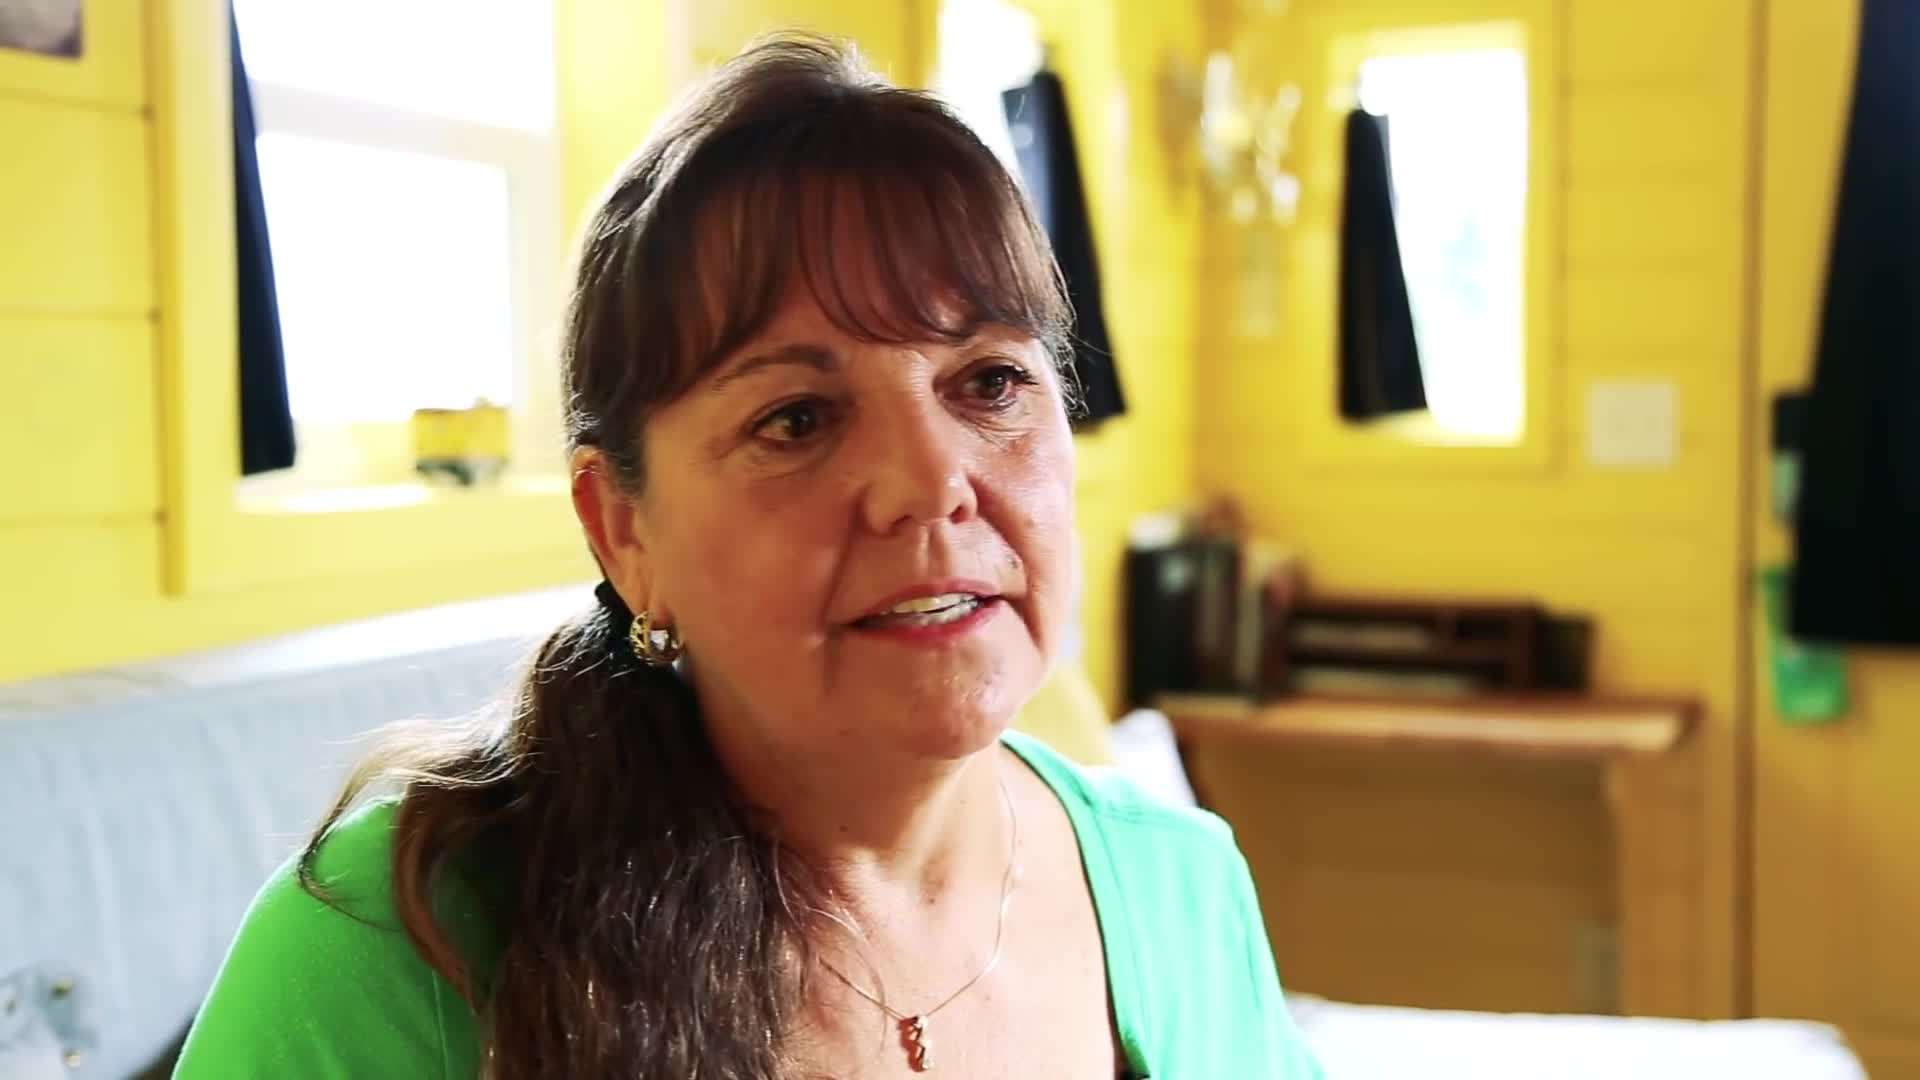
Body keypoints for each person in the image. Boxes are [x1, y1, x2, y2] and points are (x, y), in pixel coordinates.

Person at [174, 35, 1323, 1079]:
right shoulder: (398, 950)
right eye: (798, 419)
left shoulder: (1182, 893)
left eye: (989, 382)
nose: (931, 482)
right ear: (624, 532)